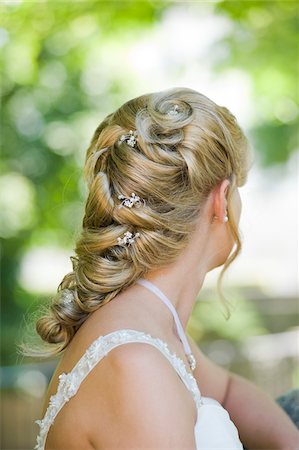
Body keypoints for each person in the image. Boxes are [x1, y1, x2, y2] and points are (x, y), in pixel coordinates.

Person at [19, 87, 299, 449]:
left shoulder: (152, 327)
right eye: (239, 188)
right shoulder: (137, 364)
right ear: (221, 200)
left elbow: (228, 393)